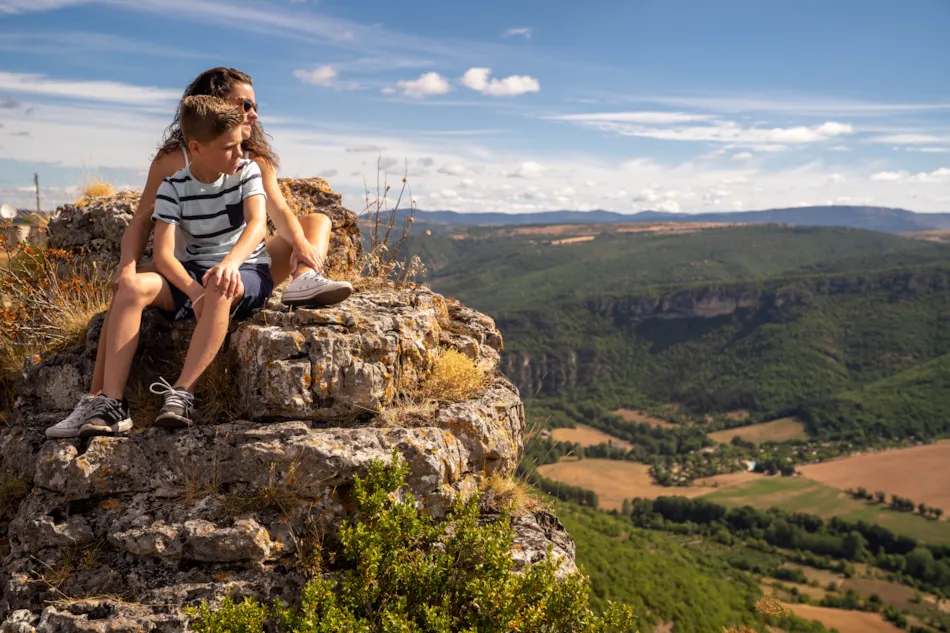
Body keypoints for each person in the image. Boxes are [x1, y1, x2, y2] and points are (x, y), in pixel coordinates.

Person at [46, 67, 351, 438]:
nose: (254, 113)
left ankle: (305, 279)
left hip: (240, 259)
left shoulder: (251, 162)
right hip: (189, 264)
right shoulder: (173, 162)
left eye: (255, 105)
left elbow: (273, 215)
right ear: (215, 103)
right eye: (246, 104)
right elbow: (143, 221)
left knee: (315, 222)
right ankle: (100, 398)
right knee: (129, 286)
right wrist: (127, 265)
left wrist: (301, 249)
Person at [51, 95, 271, 437]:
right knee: (131, 285)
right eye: (228, 147)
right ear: (197, 148)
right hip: (195, 273)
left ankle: (182, 393)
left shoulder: (246, 172)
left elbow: (258, 224)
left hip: (245, 268)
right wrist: (195, 292)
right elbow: (165, 256)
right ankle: (112, 403)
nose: (239, 154)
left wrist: (229, 265)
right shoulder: (173, 188)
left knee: (219, 285)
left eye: (238, 145)